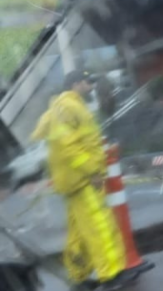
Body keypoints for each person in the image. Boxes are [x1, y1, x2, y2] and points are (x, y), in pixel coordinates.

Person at [42, 71, 129, 291]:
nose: (91, 87)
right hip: (82, 180)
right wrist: (93, 171)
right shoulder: (68, 107)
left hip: (76, 180)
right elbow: (70, 148)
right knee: (99, 227)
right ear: (75, 84)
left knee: (79, 232)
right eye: (88, 82)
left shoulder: (69, 106)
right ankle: (110, 276)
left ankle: (78, 277)